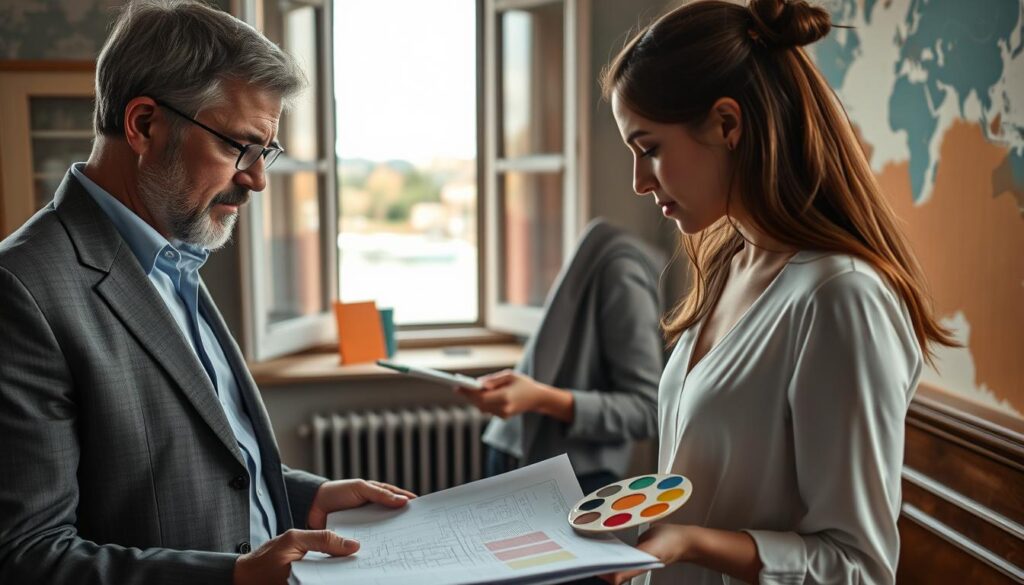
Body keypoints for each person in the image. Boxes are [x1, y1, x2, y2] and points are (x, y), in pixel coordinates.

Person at [0, 2, 414, 584]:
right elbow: (26, 557)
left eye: (264, 152)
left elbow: (192, 471)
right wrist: (233, 579)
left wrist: (306, 499)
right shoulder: (21, 290)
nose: (257, 179)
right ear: (143, 124)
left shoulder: (176, 256)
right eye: (238, 147)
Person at [597, 0, 956, 584]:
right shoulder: (729, 265)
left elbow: (858, 567)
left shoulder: (841, 299)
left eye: (650, 148)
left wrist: (693, 543)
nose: (640, 181)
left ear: (726, 124)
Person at [458, 218, 663, 495]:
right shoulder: (596, 253)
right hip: (526, 459)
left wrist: (540, 399)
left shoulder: (620, 271)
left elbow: (647, 410)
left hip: (565, 473)